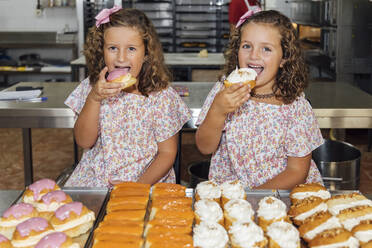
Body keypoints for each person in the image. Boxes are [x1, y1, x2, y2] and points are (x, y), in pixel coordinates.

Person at [195, 10, 324, 189]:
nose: (254, 55)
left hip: (280, 197)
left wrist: (255, 197)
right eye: (246, 46)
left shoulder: (295, 107)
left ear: (284, 58)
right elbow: (204, 147)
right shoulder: (224, 90)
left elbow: (297, 171)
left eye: (266, 49)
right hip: (233, 194)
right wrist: (218, 111)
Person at [64, 7, 191, 187]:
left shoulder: (161, 96)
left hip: (145, 183)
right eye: (113, 48)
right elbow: (84, 141)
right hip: (95, 181)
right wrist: (94, 99)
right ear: (102, 50)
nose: (121, 58)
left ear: (146, 53)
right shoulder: (92, 87)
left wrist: (135, 188)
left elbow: (167, 153)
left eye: (131, 48)